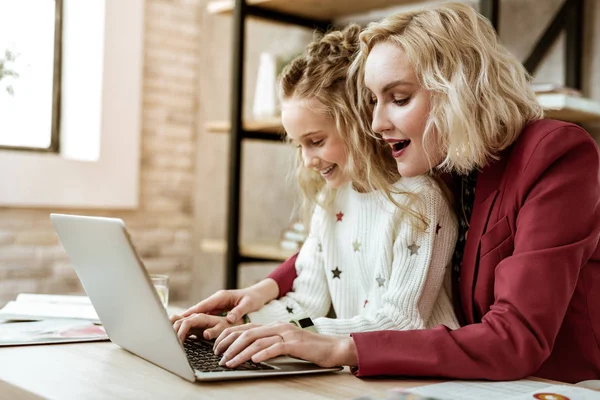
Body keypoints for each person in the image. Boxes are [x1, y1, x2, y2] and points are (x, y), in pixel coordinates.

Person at [179, 3, 600, 384]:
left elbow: (515, 338)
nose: (375, 124)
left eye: (398, 98)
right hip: (467, 379)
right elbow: (340, 242)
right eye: (371, 101)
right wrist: (259, 295)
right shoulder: (440, 155)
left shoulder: (554, 154)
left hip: (555, 384)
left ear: (459, 90)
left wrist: (341, 346)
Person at [173, 25, 459, 346]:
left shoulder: (418, 201)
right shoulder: (332, 198)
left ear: (360, 124)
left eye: (316, 141)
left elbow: (400, 322)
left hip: (420, 378)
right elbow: (305, 303)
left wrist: (296, 337)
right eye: (299, 145)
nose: (308, 160)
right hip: (359, 367)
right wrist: (232, 324)